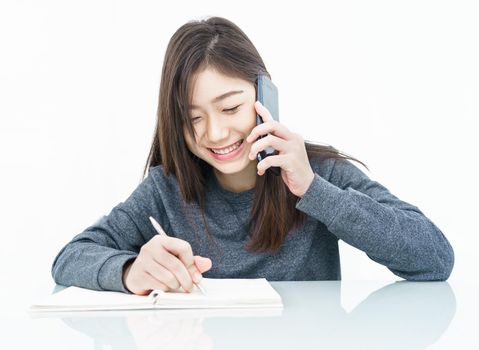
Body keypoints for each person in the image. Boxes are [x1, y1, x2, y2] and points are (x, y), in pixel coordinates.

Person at [51, 16, 454, 296]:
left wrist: (314, 190)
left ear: (264, 97)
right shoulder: (166, 188)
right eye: (193, 118)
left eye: (230, 108)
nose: (215, 133)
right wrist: (129, 271)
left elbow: (434, 258)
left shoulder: (320, 172)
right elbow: (69, 258)